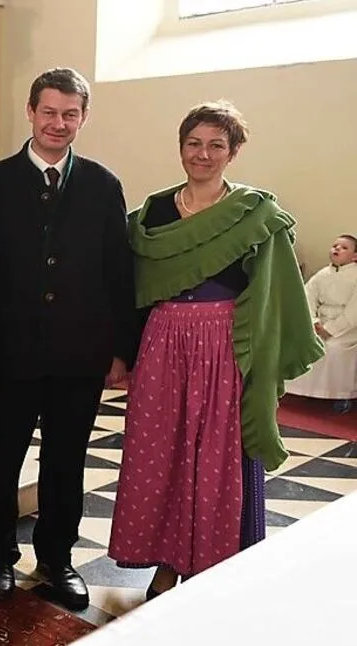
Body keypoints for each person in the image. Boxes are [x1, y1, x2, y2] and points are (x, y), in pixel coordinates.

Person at [108, 101, 322, 599]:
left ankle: (211, 563)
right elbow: (130, 287)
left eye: (216, 145)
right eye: (193, 143)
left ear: (234, 152)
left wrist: (260, 358)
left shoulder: (256, 213)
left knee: (217, 454)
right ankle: (164, 563)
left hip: (226, 344)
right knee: (160, 450)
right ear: (181, 147)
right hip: (163, 341)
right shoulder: (152, 213)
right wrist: (123, 351)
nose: (203, 154)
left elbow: (273, 292)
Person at [0, 68, 134, 611]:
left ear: (83, 117)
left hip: (78, 353)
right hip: (9, 350)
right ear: (30, 111)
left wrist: (119, 349)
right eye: (49, 112)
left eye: (70, 114)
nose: (58, 123)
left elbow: (118, 271)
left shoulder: (103, 185)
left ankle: (58, 559)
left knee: (66, 460)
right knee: (0, 458)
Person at [285, 235, 357, 408]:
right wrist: (313, 322)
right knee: (301, 343)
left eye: (344, 247)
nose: (337, 249)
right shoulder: (322, 274)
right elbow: (306, 298)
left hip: (346, 329)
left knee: (334, 349)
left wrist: (330, 329)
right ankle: (305, 390)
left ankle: (340, 395)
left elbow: (353, 311)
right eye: (335, 245)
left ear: (355, 256)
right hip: (318, 324)